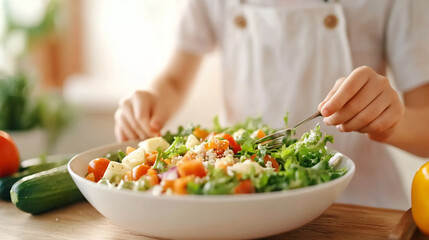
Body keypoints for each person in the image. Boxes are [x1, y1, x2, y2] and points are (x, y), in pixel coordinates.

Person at [114, 0, 429, 210]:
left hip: (360, 206)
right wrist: (150, 100)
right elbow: (173, 80)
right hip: (238, 204)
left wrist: (390, 122)